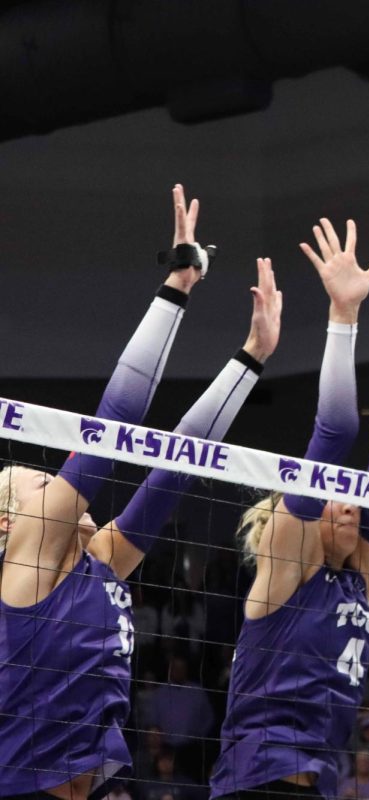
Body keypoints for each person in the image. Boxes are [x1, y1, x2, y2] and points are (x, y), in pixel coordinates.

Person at [0, 185, 281, 800]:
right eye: (41, 480)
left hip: (105, 785)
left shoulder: (98, 564)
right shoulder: (30, 560)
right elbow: (115, 421)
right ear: (7, 523)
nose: (56, 483)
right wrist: (177, 287)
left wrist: (252, 358)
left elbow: (175, 468)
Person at [209, 237, 369, 799]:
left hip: (319, 778)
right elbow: (336, 433)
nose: (348, 502)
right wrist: (344, 314)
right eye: (332, 495)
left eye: (351, 495)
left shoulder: (357, 580)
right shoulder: (287, 565)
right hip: (256, 782)